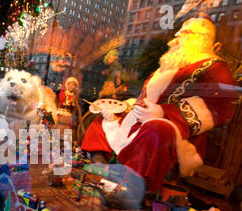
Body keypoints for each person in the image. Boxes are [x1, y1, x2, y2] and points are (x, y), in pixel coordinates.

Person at [81, 15, 239, 193]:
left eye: (185, 34)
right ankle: (101, 166)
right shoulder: (166, 67)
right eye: (178, 34)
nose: (177, 38)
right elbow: (145, 97)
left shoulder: (215, 67)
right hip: (141, 120)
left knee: (156, 130)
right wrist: (123, 108)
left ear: (201, 39)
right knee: (102, 121)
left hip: (178, 131)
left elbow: (220, 107)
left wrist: (164, 113)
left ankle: (134, 188)